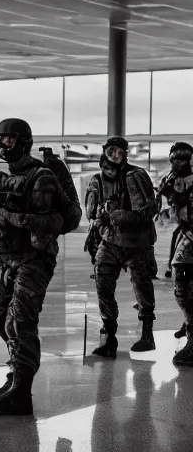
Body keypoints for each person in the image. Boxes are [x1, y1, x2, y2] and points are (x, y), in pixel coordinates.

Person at [0, 118, 78, 415]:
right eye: (0, 139)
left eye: (8, 139)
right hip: (6, 260)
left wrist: (20, 219)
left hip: (34, 259)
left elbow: (61, 220)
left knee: (18, 322)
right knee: (0, 320)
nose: (2, 145)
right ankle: (16, 372)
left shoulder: (42, 177)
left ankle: (22, 390)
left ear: (24, 141)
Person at [85, 137, 158, 359]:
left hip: (137, 244)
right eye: (111, 151)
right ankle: (109, 337)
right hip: (109, 242)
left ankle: (147, 335)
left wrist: (125, 216)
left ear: (125, 153)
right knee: (103, 285)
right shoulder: (97, 179)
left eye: (119, 151)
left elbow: (149, 209)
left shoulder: (135, 175)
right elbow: (92, 211)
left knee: (142, 287)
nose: (114, 155)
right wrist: (99, 221)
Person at [157, 142, 193, 366]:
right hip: (185, 235)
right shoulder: (169, 179)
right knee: (182, 286)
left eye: (182, 158)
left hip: (190, 235)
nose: (178, 162)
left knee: (184, 285)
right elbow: (170, 213)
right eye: (174, 159)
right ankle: (189, 322)